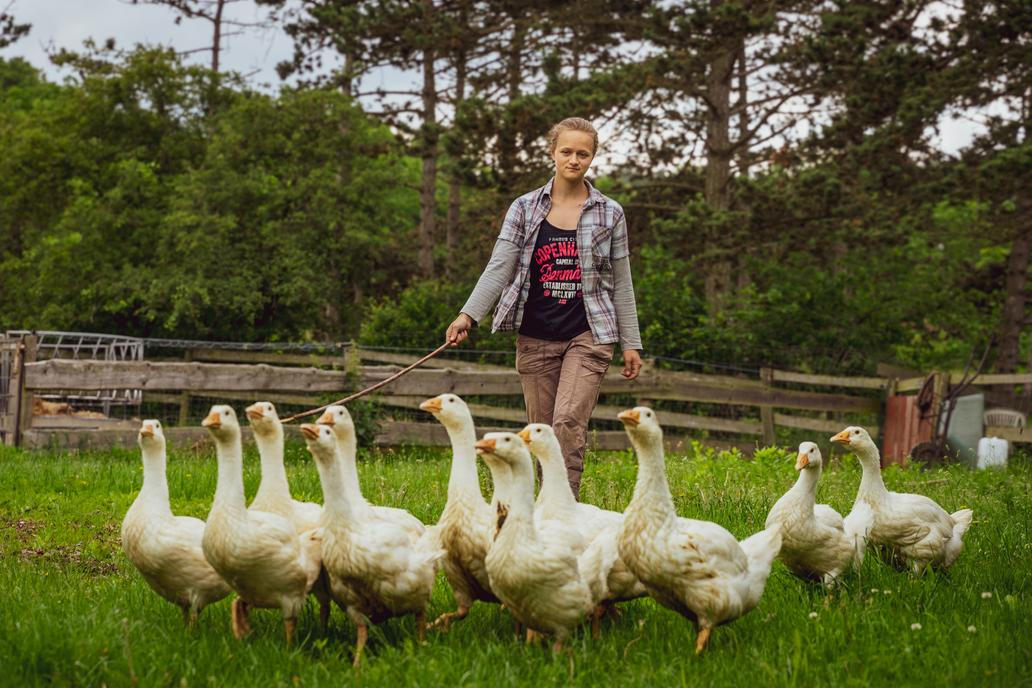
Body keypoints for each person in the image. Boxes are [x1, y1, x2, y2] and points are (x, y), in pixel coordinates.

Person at [445, 117, 642, 500]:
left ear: (592, 158)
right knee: (542, 432)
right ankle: (543, 506)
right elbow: (499, 265)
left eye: (582, 154)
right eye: (566, 151)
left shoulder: (610, 212)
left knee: (568, 422)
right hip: (535, 337)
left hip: (589, 334)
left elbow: (622, 280)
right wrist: (468, 314)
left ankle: (562, 508)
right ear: (552, 153)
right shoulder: (524, 208)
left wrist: (631, 342)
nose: (573, 160)